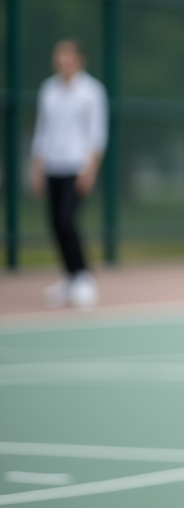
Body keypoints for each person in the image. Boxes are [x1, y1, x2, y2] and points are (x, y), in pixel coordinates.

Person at [31, 39, 108, 309]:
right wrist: (37, 167)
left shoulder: (92, 92)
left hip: (76, 167)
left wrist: (90, 169)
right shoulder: (48, 89)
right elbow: (42, 131)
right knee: (54, 223)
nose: (62, 63)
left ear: (79, 60)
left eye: (67, 58)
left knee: (67, 220)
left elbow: (97, 134)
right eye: (59, 58)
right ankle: (69, 276)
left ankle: (83, 277)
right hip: (52, 165)